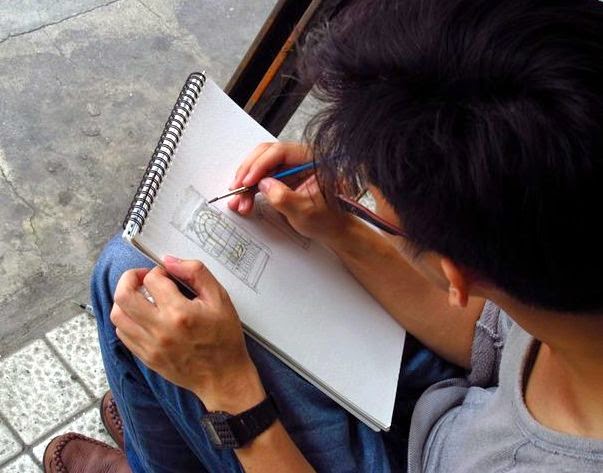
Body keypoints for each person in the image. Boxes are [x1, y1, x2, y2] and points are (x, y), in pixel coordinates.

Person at [43, 0, 603, 471]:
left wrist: (230, 392)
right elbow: (489, 332)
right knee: (147, 288)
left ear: (459, 274)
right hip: (457, 400)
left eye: (372, 204)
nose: (358, 196)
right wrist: (341, 227)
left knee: (132, 279)